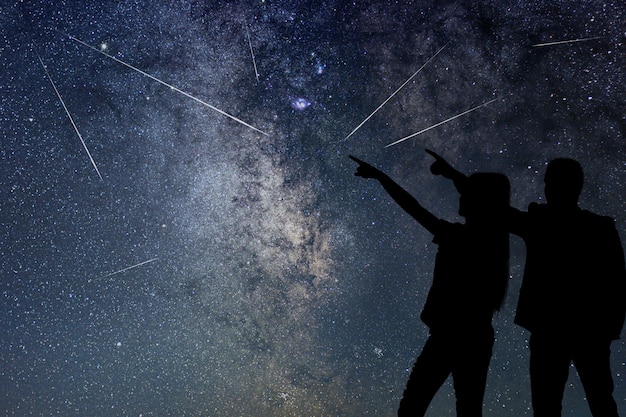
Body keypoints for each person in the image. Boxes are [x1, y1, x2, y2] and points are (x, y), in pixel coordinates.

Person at [428, 150, 626, 417]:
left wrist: (453, 174)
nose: (547, 187)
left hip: (560, 329)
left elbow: (493, 206)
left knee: (562, 405)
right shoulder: (594, 227)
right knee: (593, 402)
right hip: (578, 331)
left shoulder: (547, 222)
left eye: (550, 181)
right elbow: (618, 282)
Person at [349, 155, 510, 417]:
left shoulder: (460, 238)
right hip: (477, 335)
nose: (460, 195)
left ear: (478, 201)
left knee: (412, 406)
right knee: (468, 410)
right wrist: (451, 173)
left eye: (467, 192)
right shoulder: (493, 241)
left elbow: (413, 208)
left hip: (450, 334)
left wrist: (382, 177)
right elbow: (473, 194)